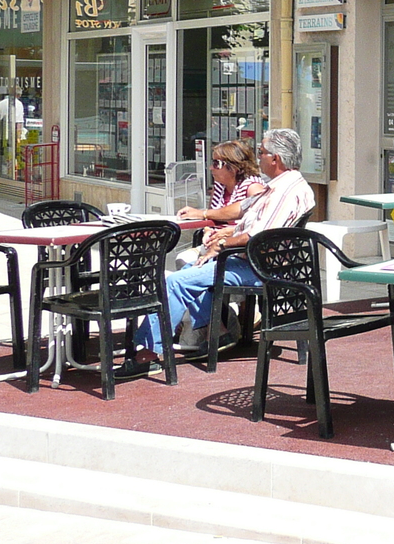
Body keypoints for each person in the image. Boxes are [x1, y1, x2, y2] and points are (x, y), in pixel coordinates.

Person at [126, 128, 315, 369]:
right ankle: (215, 333)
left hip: (258, 267)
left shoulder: (285, 192)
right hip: (253, 261)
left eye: (262, 153)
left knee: (175, 282)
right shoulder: (278, 186)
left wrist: (222, 244)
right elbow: (241, 209)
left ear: (275, 158)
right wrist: (213, 225)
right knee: (189, 270)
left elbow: (257, 236)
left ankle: (149, 354)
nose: (258, 158)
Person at [175, 141, 268, 263]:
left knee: (187, 272)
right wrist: (207, 231)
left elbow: (256, 227)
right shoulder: (219, 186)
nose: (211, 168)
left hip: (235, 249)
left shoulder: (253, 187)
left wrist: (203, 214)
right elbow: (213, 216)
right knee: (182, 259)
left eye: (216, 164)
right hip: (213, 244)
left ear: (234, 166)